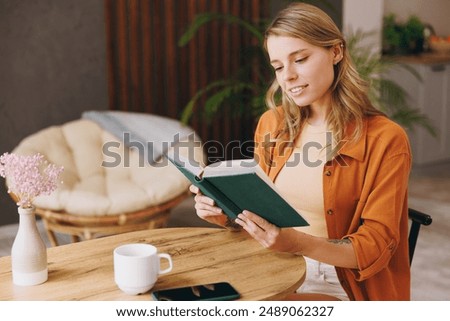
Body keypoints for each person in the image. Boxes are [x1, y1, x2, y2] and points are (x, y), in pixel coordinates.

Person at [189, 2, 411, 301]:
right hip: (270, 263)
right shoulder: (273, 124)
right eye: (278, 67)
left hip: (340, 280)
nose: (288, 76)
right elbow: (260, 210)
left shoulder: (386, 139)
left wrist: (297, 243)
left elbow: (374, 246)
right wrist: (223, 211)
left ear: (336, 51)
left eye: (301, 59)